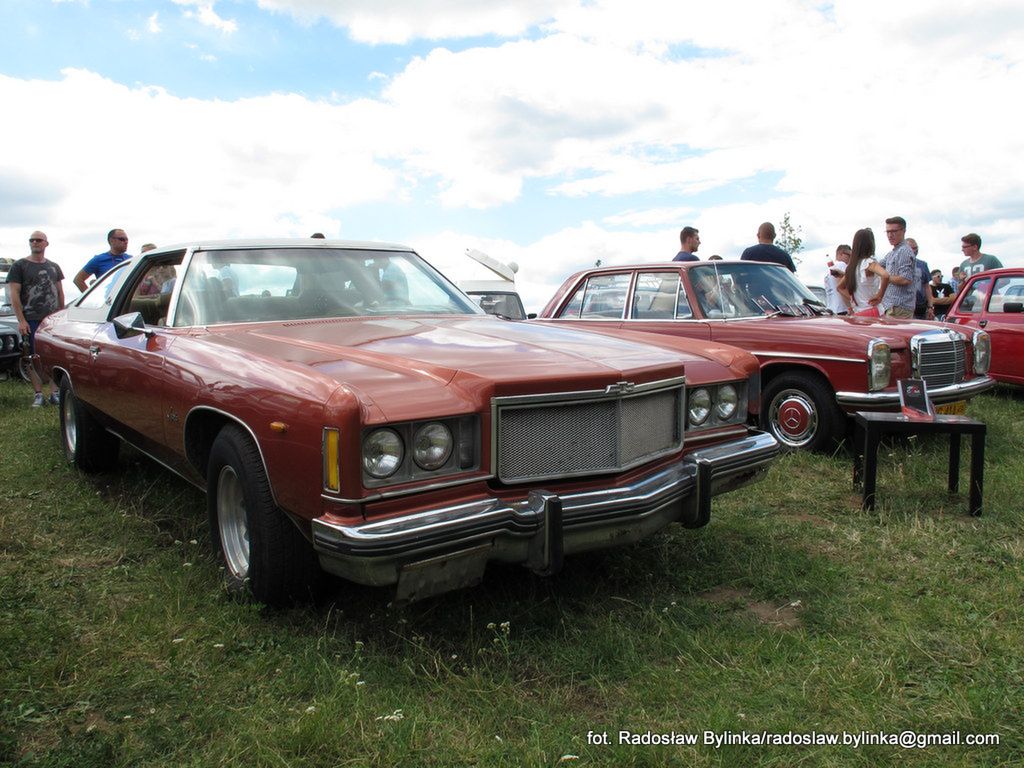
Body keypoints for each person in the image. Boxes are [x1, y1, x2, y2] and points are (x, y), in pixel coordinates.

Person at [6, 231, 65, 406]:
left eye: (38, 240)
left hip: (52, 320)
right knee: (33, 357)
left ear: (46, 243)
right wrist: (21, 320)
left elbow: (60, 292)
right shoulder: (20, 266)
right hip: (31, 319)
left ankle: (54, 393)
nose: (35, 243)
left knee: (54, 356)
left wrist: (62, 316)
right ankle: (38, 394)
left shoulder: (54, 266)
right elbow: (14, 294)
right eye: (32, 240)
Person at [839, 228, 889, 315]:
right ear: (871, 244)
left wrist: (853, 299)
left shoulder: (851, 267)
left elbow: (840, 287)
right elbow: (885, 275)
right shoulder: (868, 263)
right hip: (873, 311)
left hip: (858, 312)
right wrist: (879, 296)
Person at [877, 216, 917, 318]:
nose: (890, 235)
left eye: (894, 231)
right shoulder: (892, 253)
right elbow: (876, 266)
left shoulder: (904, 251)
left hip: (899, 308)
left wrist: (885, 277)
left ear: (903, 231)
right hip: (892, 307)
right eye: (888, 232)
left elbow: (905, 279)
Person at [906, 238, 934, 320]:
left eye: (916, 248)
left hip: (921, 306)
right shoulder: (898, 264)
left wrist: (930, 306)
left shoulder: (923, 265)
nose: (915, 250)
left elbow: (927, 286)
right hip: (905, 306)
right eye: (912, 248)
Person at [823, 245, 851, 314]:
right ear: (841, 253)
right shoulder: (841, 265)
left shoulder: (829, 270)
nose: (850, 258)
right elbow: (843, 287)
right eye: (849, 255)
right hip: (842, 309)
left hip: (831, 309)